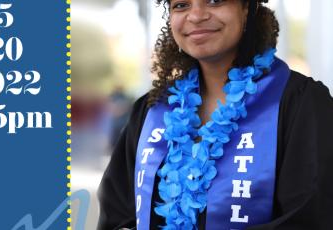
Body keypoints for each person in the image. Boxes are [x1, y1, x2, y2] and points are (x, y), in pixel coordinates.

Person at [97, 0, 333, 229]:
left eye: (215, 0)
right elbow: (118, 213)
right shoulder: (151, 110)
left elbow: (310, 218)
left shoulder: (301, 104)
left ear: (246, 7)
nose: (197, 15)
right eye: (181, 5)